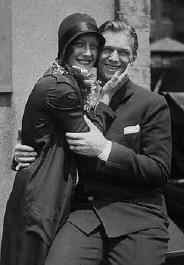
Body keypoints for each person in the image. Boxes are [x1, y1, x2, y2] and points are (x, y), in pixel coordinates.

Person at [12, 18, 172, 265]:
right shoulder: (76, 97)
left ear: (134, 57)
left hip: (139, 216)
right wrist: (25, 153)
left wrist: (106, 150)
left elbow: (159, 170)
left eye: (123, 52)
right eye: (107, 49)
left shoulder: (151, 103)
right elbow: (48, 138)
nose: (113, 58)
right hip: (85, 213)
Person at [1, 13, 128, 265]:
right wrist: (105, 100)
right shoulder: (61, 86)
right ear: (65, 46)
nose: (88, 53)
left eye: (93, 46)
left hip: (52, 190)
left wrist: (22, 151)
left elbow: (38, 135)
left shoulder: (73, 81)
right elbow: (86, 140)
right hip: (42, 195)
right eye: (80, 44)